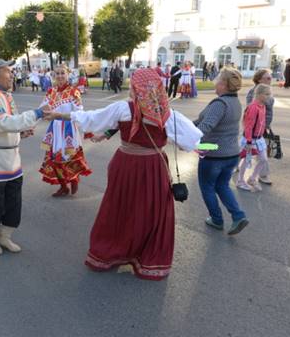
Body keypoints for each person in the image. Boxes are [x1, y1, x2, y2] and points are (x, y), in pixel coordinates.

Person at [45, 69, 200, 280]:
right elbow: (190, 142)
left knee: (120, 206)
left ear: (137, 89)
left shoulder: (122, 109)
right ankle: (147, 257)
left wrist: (61, 114)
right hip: (153, 167)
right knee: (151, 209)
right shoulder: (169, 115)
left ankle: (112, 251)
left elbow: (92, 118)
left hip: (126, 163)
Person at [0, 58, 49, 255]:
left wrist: (20, 133)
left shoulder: (6, 96)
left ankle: (5, 236)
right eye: (7, 71)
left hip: (12, 160)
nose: (11, 74)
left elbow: (7, 125)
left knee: (13, 203)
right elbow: (3, 123)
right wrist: (37, 113)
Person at [193, 67, 248, 235]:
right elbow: (201, 122)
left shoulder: (220, 104)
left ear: (224, 84)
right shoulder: (235, 102)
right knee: (222, 186)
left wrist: (188, 141)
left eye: (217, 80)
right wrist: (185, 125)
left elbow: (205, 127)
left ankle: (216, 220)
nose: (215, 83)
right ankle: (238, 215)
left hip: (214, 153)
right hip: (231, 153)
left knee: (207, 187)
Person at [39, 65, 92, 196]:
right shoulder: (51, 91)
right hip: (55, 131)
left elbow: (80, 112)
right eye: (57, 73)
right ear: (54, 76)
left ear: (68, 74)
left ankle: (73, 180)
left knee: (70, 158)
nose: (60, 76)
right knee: (54, 160)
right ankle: (63, 186)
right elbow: (43, 108)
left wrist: (85, 128)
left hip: (69, 130)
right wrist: (42, 115)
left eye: (63, 73)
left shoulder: (74, 92)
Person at [237, 84, 272, 192]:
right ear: (259, 94)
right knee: (246, 160)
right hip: (250, 139)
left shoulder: (263, 106)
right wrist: (248, 141)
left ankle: (252, 178)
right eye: (266, 94)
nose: (269, 96)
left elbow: (261, 122)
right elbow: (248, 126)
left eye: (269, 94)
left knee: (263, 159)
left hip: (259, 138)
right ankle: (240, 181)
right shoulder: (253, 107)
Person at [245, 68, 274, 185]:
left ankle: (262, 174)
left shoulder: (266, 90)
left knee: (258, 150)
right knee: (255, 149)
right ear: (259, 79)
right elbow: (252, 108)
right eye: (267, 78)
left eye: (270, 77)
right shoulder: (255, 92)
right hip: (255, 128)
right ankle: (262, 175)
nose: (270, 79)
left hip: (264, 126)